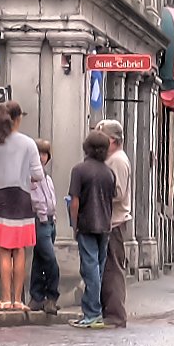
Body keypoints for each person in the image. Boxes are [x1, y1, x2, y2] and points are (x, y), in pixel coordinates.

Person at [0, 101, 45, 310]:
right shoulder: (28, 143)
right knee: (19, 250)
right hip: (21, 197)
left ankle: (5, 299)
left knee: (2, 251)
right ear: (18, 119)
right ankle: (18, 300)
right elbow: (38, 174)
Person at [68, 131, 116, 329]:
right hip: (105, 224)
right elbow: (111, 200)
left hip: (87, 223)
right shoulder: (108, 173)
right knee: (97, 267)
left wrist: (74, 223)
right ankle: (91, 311)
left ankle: (93, 313)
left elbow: (75, 200)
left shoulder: (79, 170)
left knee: (90, 269)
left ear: (86, 148)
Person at [95, 119, 133, 329]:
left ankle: (116, 314)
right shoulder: (114, 159)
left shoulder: (117, 160)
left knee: (113, 268)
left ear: (111, 140)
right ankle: (110, 311)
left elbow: (117, 192)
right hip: (111, 220)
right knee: (109, 266)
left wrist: (96, 193)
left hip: (115, 221)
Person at [27, 139, 60, 315]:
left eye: (45, 153)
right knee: (50, 260)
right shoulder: (31, 176)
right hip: (39, 221)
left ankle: (37, 297)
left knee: (39, 260)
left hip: (49, 221)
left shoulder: (47, 177)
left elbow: (50, 200)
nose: (41, 157)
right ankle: (51, 296)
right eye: (38, 153)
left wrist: (53, 218)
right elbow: (35, 200)